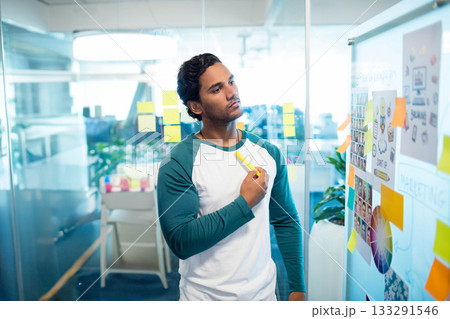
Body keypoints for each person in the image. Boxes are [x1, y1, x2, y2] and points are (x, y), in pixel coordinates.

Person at [157, 53, 305, 301]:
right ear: (196, 106)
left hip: (264, 297)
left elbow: (286, 221)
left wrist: (297, 288)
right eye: (216, 89)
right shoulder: (178, 162)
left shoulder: (268, 153)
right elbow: (181, 241)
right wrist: (245, 202)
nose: (231, 92)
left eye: (231, 81)